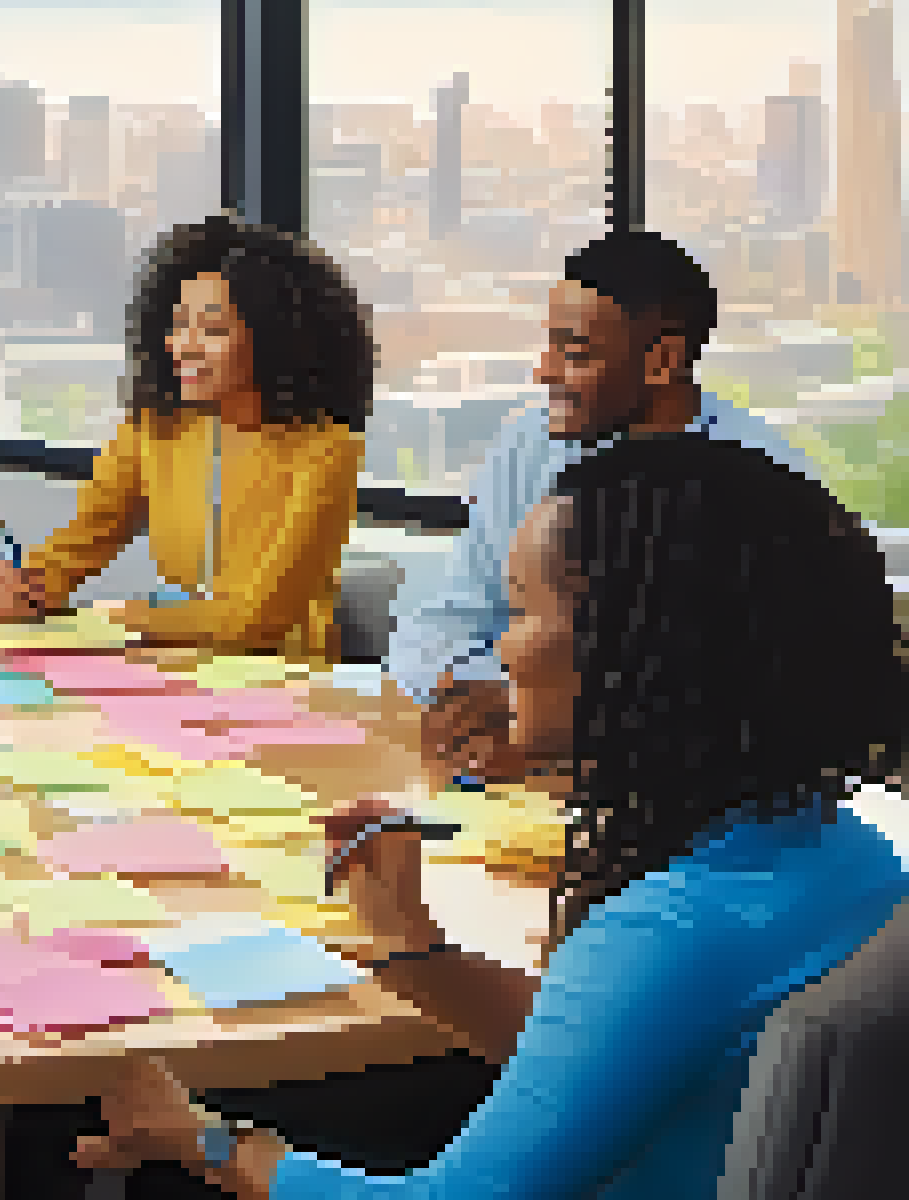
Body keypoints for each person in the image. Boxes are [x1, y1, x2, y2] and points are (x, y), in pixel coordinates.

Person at [73, 433, 909, 1199]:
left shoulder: (669, 932)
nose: (502, 648)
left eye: (524, 610)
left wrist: (208, 1144)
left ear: (630, 651)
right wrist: (412, 940)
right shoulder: (850, 857)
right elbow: (613, 1050)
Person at [386, 230, 820, 783]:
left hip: (688, 788)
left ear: (662, 360)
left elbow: (762, 689)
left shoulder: (764, 482)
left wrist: (539, 711)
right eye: (549, 345)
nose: (543, 371)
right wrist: (485, 692)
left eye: (575, 352)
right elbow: (451, 616)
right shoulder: (532, 442)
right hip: (521, 774)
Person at [0, 214, 371, 661]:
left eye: (213, 330)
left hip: (284, 679)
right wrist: (30, 583)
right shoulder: (155, 428)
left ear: (274, 339)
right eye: (178, 325)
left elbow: (260, 620)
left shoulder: (327, 450)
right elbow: (84, 539)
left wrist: (123, 617)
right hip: (171, 664)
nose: (182, 345)